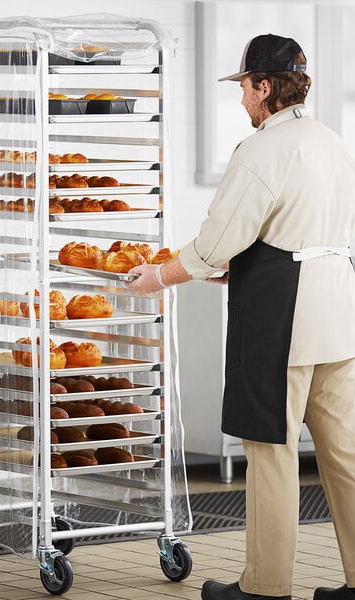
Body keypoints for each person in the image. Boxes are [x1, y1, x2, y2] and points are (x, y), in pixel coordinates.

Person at [127, 33, 355, 600]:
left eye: (245, 89)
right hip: (340, 315)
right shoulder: (333, 141)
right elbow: (307, 232)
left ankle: (265, 588)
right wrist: (244, 264)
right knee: (347, 458)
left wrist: (160, 275)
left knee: (270, 454)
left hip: (283, 323)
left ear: (264, 86)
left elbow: (216, 243)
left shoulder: (261, 151)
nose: (242, 101)